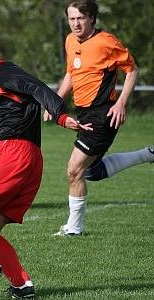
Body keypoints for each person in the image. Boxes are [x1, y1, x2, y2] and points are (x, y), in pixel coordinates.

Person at [0, 32, 92, 299]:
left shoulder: (3, 72)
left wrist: (61, 115)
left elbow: (38, 88)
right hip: (31, 160)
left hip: (13, 152)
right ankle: (22, 285)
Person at [44, 0, 154, 236]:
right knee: (92, 172)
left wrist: (121, 103)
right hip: (84, 112)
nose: (75, 23)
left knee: (74, 170)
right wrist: (55, 102)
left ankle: (74, 229)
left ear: (91, 18)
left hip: (103, 113)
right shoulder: (70, 40)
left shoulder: (107, 42)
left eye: (80, 18)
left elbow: (132, 70)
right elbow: (71, 74)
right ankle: (147, 154)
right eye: (71, 18)